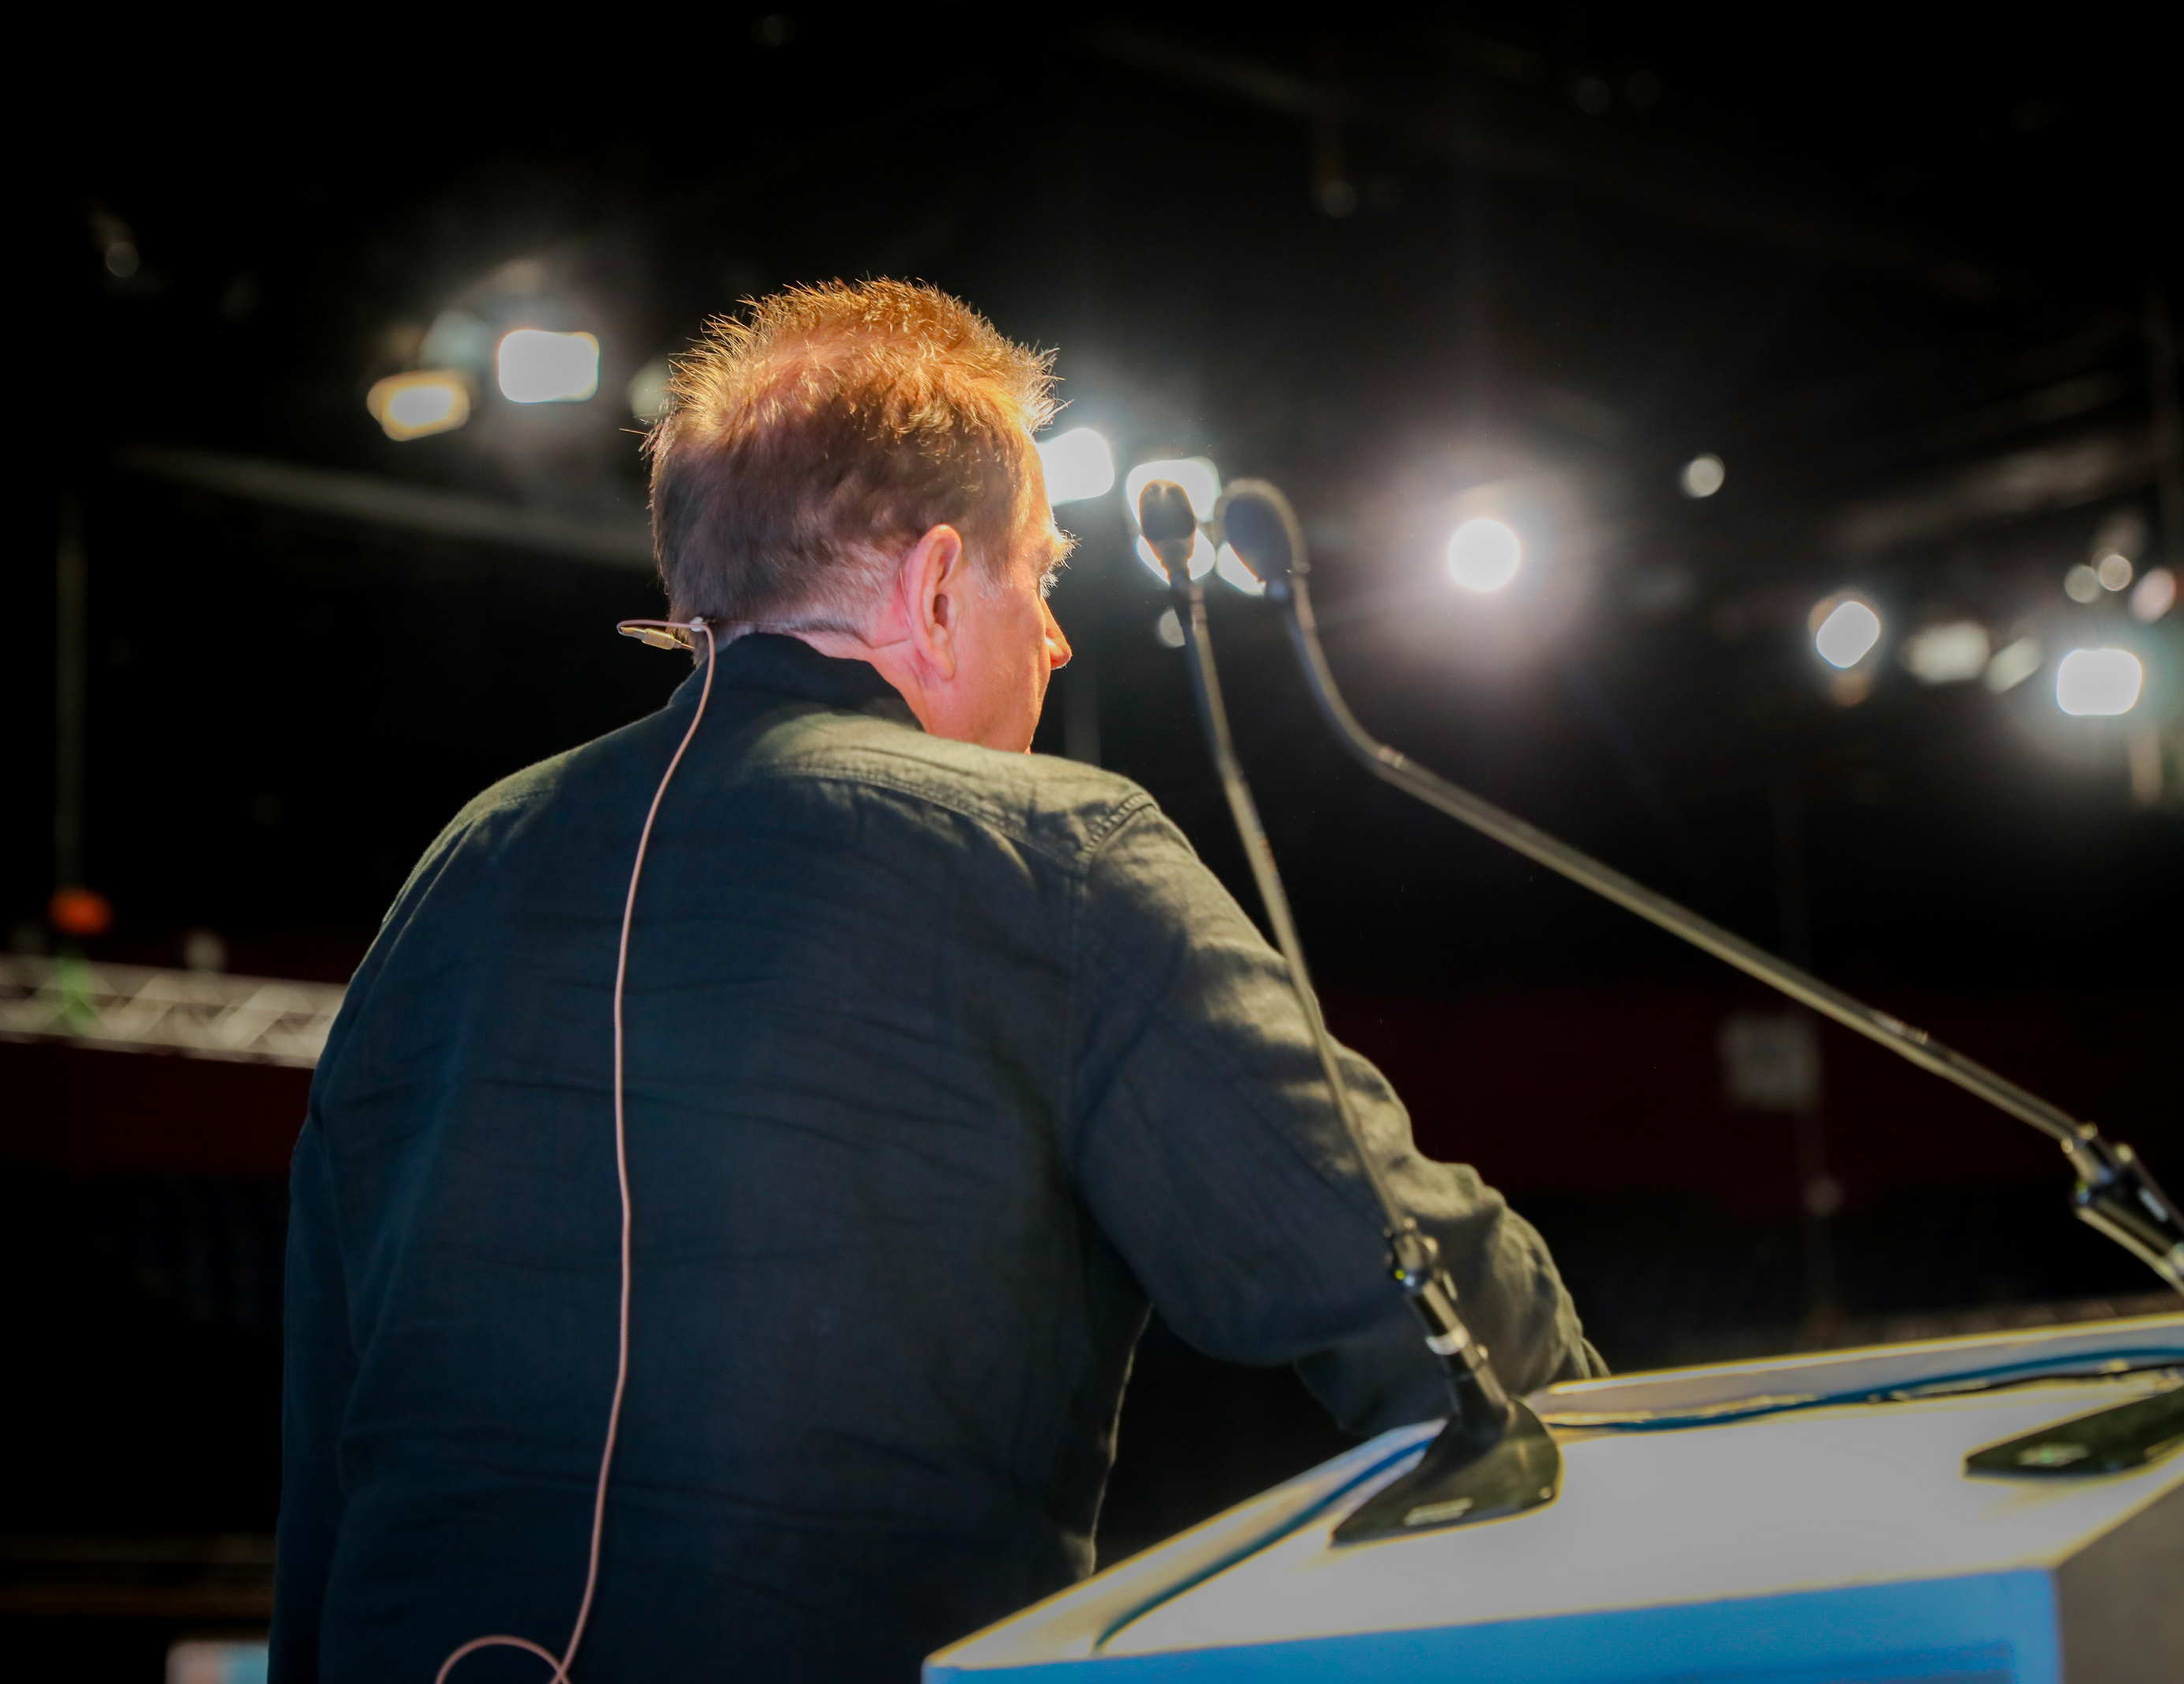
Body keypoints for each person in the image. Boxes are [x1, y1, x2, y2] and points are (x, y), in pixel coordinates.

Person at [274, 279, 1601, 1682]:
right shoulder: (1055, 854)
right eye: (1042, 575)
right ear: (937, 586)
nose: (1058, 637)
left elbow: (325, 1446)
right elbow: (1435, 1312)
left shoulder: (457, 873)